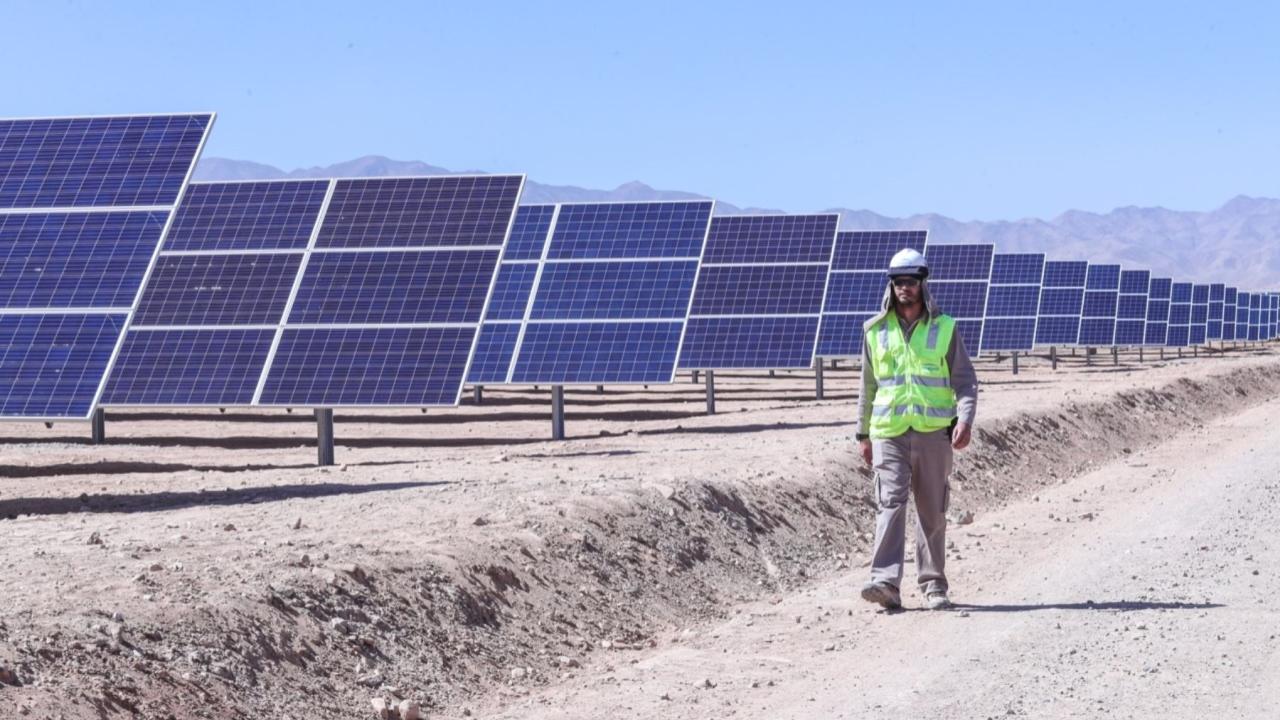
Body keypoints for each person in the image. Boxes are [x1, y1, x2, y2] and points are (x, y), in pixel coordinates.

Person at [856, 248, 978, 611]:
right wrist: (863, 434)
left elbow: (966, 382)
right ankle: (885, 582)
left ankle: (933, 584)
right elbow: (867, 387)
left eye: (909, 281)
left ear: (923, 284)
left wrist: (966, 420)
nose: (903, 288)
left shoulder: (945, 328)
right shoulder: (874, 330)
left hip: (933, 433)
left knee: (931, 510)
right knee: (889, 504)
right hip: (888, 433)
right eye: (897, 282)